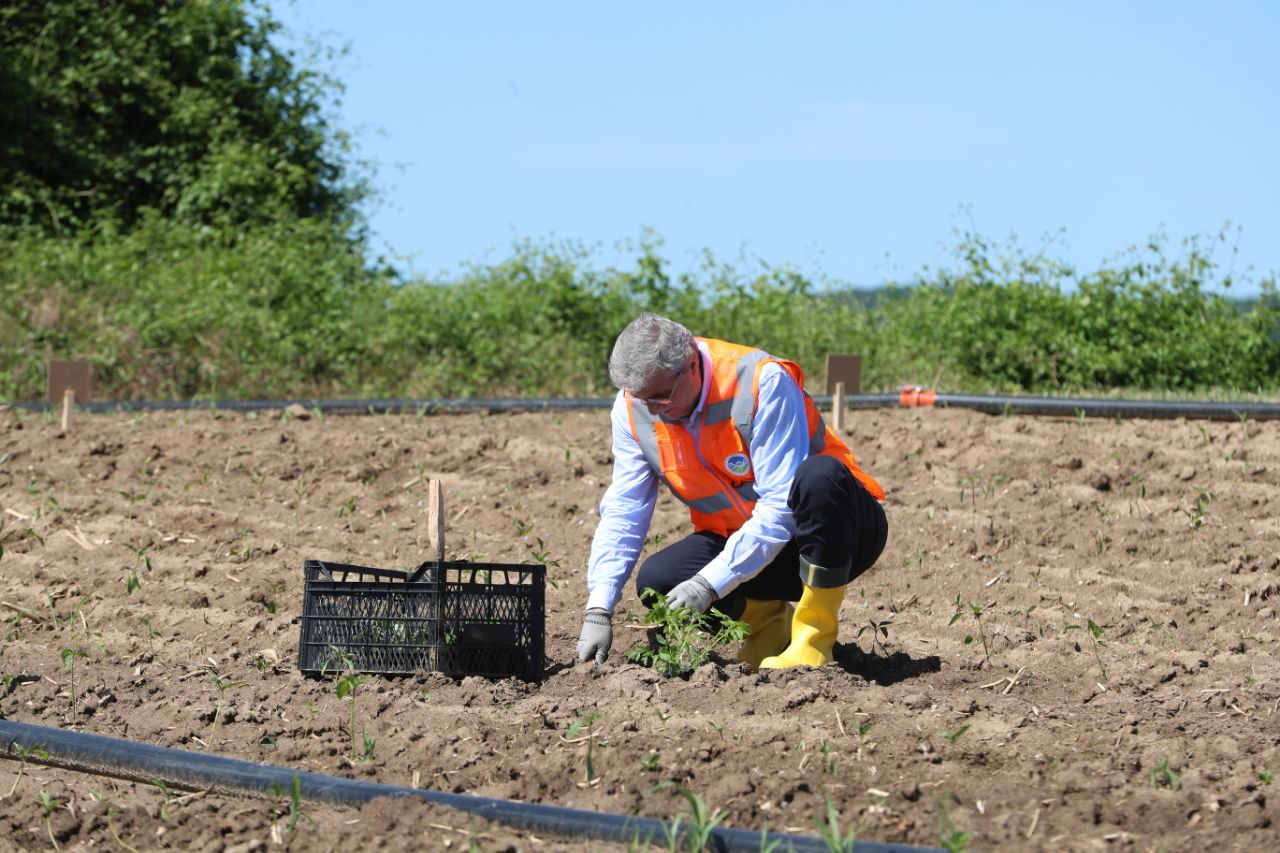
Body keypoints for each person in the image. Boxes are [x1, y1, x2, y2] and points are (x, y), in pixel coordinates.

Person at [575, 313, 887, 670]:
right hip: (752, 546)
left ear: (691, 363)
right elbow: (625, 509)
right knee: (657, 581)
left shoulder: (761, 380)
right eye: (642, 398)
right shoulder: (634, 408)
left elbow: (780, 507)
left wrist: (709, 584)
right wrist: (598, 608)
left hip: (838, 535)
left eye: (661, 397)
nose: (654, 410)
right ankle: (768, 624)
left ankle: (813, 637)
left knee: (820, 476)